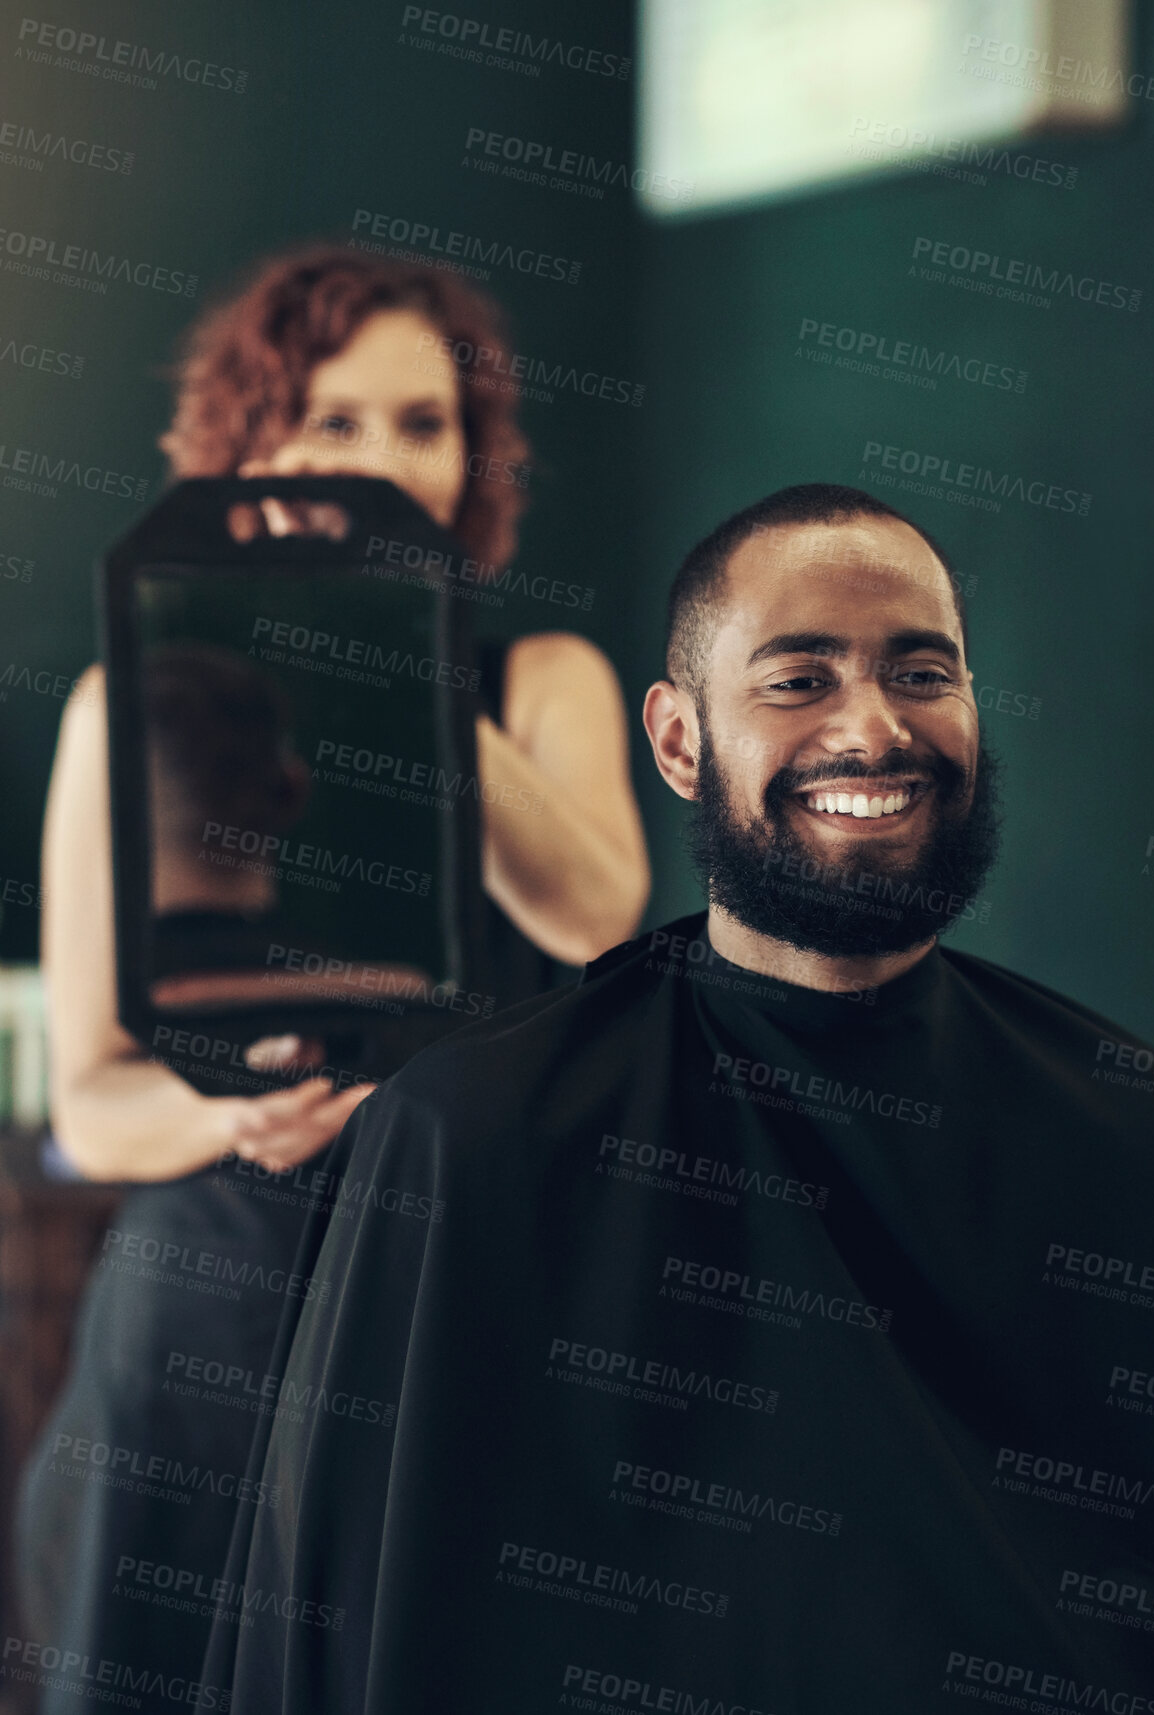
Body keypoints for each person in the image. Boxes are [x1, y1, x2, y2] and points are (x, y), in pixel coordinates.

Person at [203, 484, 1154, 1713]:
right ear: (677, 740)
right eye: (796, 679)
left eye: (921, 672)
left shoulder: (1122, 1128)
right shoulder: (471, 1130)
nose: (873, 729)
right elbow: (346, 1633)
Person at [18, 248, 649, 1707]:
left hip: (467, 1304)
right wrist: (243, 1118)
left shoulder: (542, 680)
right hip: (211, 1315)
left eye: (420, 426)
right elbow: (96, 1107)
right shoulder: (128, 706)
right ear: (250, 447)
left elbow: (598, 914)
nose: (381, 462)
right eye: (332, 423)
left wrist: (403, 644)